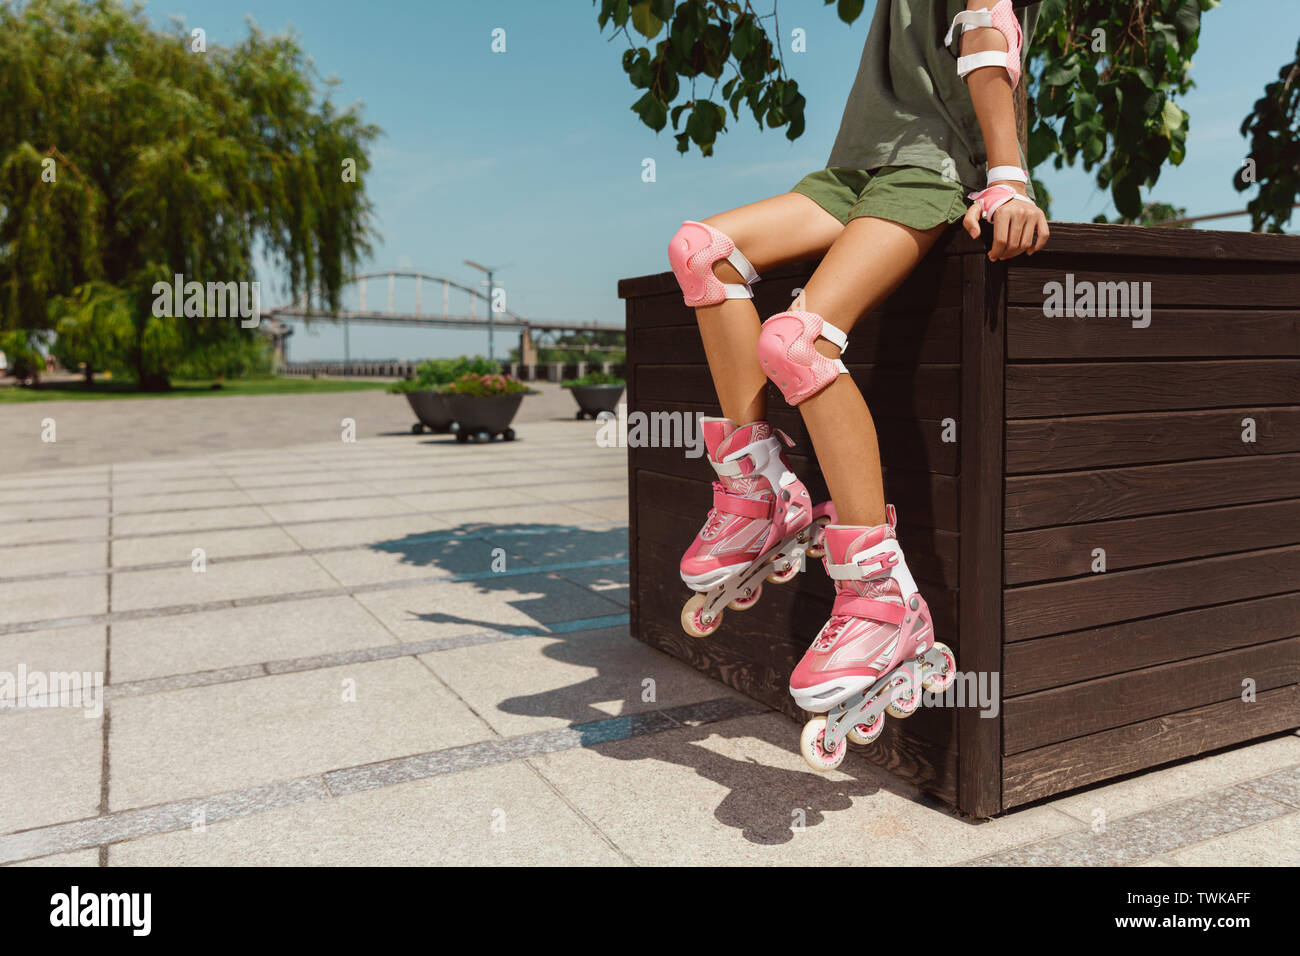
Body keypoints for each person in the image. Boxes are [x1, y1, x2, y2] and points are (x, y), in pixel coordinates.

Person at [669, 0, 1050, 769]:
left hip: (929, 171)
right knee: (699, 250)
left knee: (797, 341)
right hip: (851, 173)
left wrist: (1008, 178)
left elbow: (987, 35)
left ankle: (882, 595)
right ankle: (757, 490)